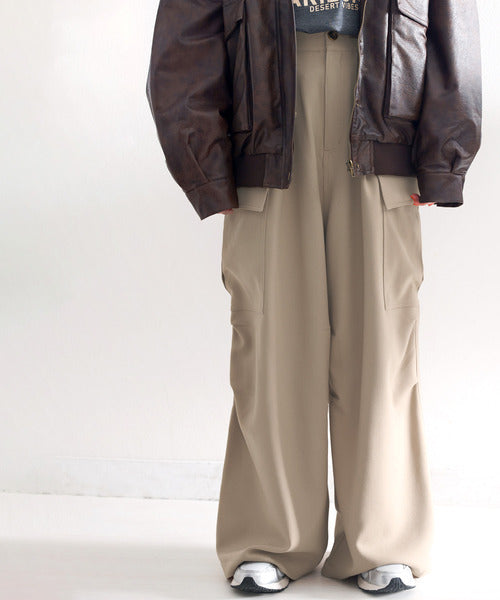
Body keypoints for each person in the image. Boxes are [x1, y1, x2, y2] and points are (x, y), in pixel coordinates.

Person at [145, 0, 482, 594]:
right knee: (271, 339)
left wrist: (444, 153)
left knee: (382, 340)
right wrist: (204, 161)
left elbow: (452, 18)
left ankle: (383, 540)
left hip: (384, 102)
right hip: (266, 107)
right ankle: (268, 538)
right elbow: (185, 31)